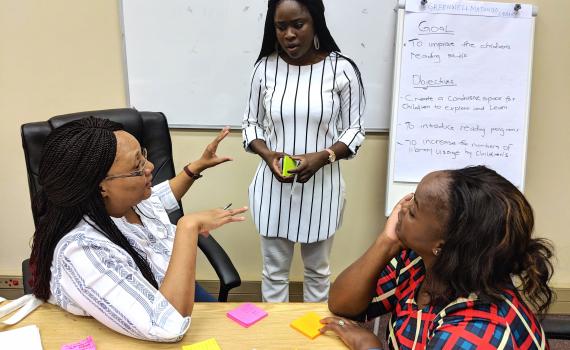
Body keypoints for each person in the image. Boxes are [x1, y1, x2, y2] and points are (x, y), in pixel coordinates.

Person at [29, 117, 247, 342]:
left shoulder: (130, 201)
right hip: (161, 315)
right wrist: (188, 227)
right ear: (101, 187)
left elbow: (163, 196)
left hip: (175, 289)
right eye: (137, 166)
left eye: (143, 155)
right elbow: (168, 327)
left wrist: (196, 167)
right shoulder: (83, 250)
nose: (150, 167)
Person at [321, 166, 554, 349]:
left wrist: (369, 346)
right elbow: (343, 305)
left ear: (441, 245)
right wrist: (386, 242)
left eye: (413, 211)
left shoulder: (475, 332)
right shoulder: (418, 261)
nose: (402, 208)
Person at [241, 0, 366, 302]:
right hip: (273, 188)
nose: (289, 35)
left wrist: (322, 157)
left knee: (317, 274)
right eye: (281, 27)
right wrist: (268, 154)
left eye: (298, 24)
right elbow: (250, 123)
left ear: (315, 22)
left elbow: (355, 131)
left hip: (322, 191)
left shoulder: (342, 69)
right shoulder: (264, 69)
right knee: (273, 274)